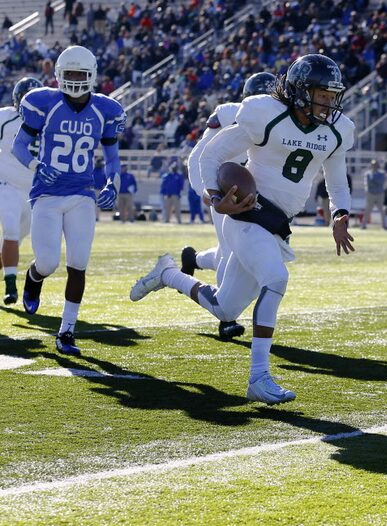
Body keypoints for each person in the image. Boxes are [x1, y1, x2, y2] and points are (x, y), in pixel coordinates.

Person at [130, 54, 355, 405]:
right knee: (276, 279)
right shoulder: (265, 115)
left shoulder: (336, 131)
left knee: (225, 309)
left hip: (277, 224)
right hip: (246, 212)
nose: (328, 102)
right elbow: (210, 157)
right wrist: (215, 197)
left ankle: (169, 273)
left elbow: (337, 182)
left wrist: (341, 213)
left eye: (331, 95)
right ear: (300, 91)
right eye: (321, 94)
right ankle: (259, 377)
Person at [12, 45, 125, 355]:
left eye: (81, 74)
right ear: (59, 76)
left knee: (78, 263)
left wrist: (112, 183)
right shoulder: (43, 103)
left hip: (82, 195)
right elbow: (19, 146)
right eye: (70, 74)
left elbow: (112, 157)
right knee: (47, 262)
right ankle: (34, 277)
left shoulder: (106, 110)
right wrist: (38, 167)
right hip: (47, 195)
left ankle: (67, 331)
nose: (75, 79)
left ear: (92, 77)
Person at [179, 71, 276, 341]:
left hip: (254, 199)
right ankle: (227, 319)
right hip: (224, 193)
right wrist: (208, 193)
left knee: (233, 253)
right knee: (232, 252)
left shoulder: (281, 124)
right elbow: (199, 155)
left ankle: (193, 259)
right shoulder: (228, 114)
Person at [0, 77, 43, 306]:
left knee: (10, 240)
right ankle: (11, 287)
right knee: (11, 231)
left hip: (30, 190)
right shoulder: (4, 118)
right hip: (4, 183)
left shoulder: (49, 121)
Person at [364, 159, 386, 229]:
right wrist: (375, 181)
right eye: (373, 165)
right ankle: (363, 225)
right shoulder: (368, 174)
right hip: (371, 194)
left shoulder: (382, 173)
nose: (374, 166)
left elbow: (381, 182)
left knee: (382, 210)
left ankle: (384, 225)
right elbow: (368, 184)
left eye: (376, 165)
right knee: (368, 210)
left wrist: (373, 180)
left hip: (379, 194)